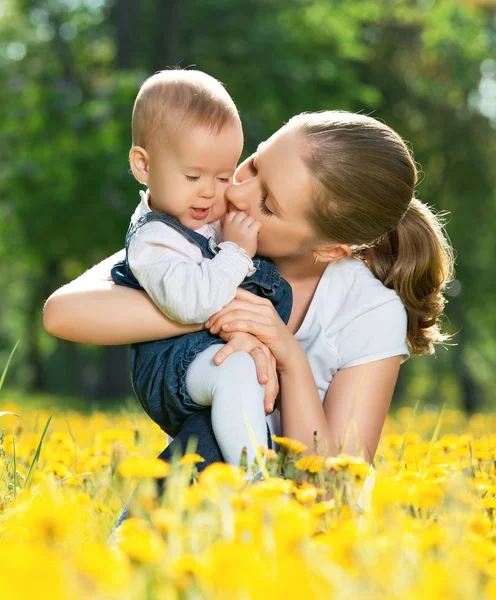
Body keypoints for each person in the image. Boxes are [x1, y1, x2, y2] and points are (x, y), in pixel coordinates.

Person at [44, 110, 454, 477]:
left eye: (267, 205)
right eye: (254, 165)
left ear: (328, 251)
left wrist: (288, 357)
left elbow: (333, 493)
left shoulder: (370, 311)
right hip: (209, 486)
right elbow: (62, 314)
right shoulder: (207, 241)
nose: (236, 194)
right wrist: (213, 301)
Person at [108, 69, 292, 472]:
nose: (210, 190)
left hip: (205, 354)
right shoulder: (154, 240)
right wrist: (236, 252)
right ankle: (256, 482)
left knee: (245, 371)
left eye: (224, 175)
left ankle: (252, 472)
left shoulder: (201, 211)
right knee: (237, 368)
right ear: (143, 165)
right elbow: (192, 304)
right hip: (170, 367)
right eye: (193, 176)